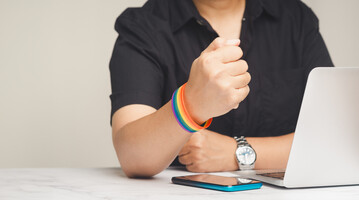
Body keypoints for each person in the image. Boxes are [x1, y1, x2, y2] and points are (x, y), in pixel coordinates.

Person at [109, 0, 333, 178]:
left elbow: (334, 140)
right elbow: (133, 157)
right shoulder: (143, 27)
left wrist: (236, 153)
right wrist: (190, 104)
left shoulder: (296, 19)